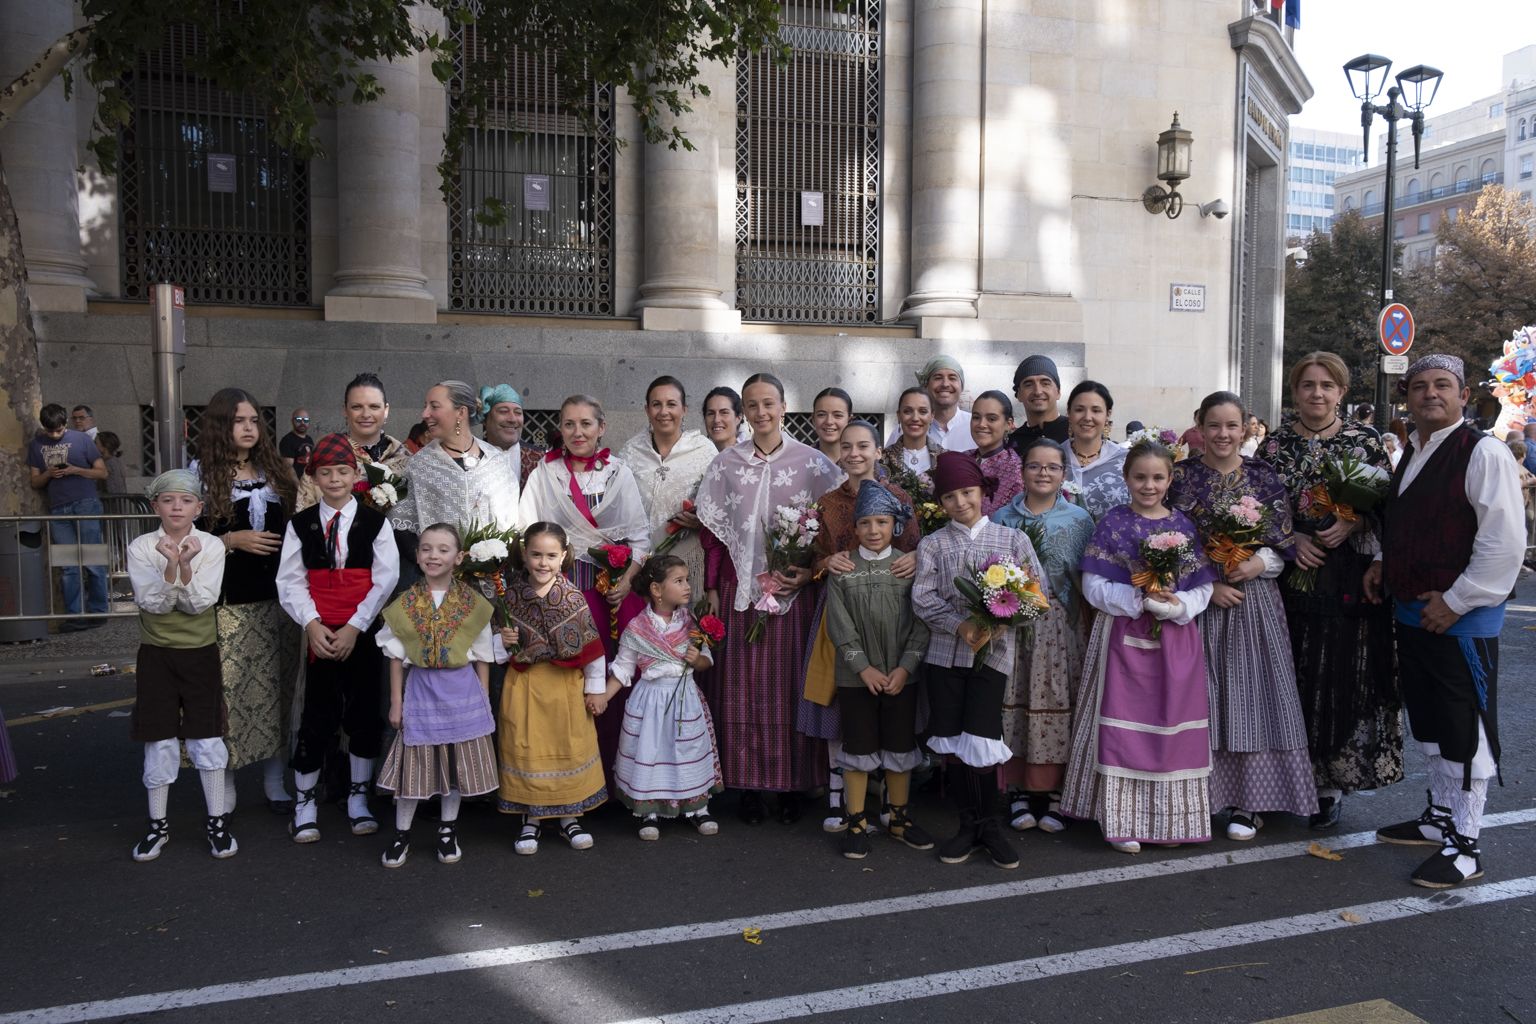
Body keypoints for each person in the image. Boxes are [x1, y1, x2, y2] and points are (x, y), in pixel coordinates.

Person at [1367, 355, 1525, 888]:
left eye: (1442, 386)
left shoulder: (1484, 452)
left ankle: (1466, 843)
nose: (1429, 394)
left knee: (1465, 729)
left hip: (1458, 618)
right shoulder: (1414, 450)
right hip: (1415, 610)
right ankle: (1439, 816)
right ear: (1407, 397)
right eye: (1419, 386)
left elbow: (1503, 543)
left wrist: (1458, 600)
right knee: (1432, 723)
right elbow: (1413, 523)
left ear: (1463, 396)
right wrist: (1385, 563)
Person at [1258, 352, 1401, 830]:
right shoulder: (1274, 446)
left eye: (1326, 385)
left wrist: (1353, 520)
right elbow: (1254, 508)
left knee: (1335, 675)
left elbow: (1389, 507)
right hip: (1289, 574)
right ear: (1294, 392)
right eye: (1307, 385)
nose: (1316, 393)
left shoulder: (1365, 443)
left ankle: (1328, 785)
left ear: (1341, 391)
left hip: (1346, 577)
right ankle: (1284, 776)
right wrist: (1289, 537)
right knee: (1289, 675)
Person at [697, 373, 843, 825]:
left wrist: (810, 572)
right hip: (741, 592)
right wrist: (711, 590)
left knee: (788, 689)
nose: (761, 413)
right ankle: (748, 788)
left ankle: (794, 786)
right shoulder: (725, 464)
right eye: (752, 406)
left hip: (793, 595)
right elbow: (715, 535)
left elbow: (835, 530)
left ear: (784, 407)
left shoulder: (813, 464)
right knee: (740, 690)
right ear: (743, 413)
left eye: (768, 404)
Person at [1170, 392, 1317, 841]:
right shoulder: (1181, 479)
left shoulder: (1263, 476)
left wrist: (1259, 564)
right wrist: (1206, 585)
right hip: (1200, 605)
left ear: (1246, 428)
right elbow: (1165, 542)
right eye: (1214, 425)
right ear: (1199, 425)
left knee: (1252, 697)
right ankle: (1199, 796)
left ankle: (1249, 802)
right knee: (1200, 698)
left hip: (1254, 603)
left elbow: (1281, 540)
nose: (1223, 435)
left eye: (1232, 426)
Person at [1061, 441, 1217, 854]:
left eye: (1158, 477)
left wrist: (1179, 606)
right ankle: (1122, 819)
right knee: (1124, 727)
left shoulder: (1182, 526)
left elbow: (1203, 586)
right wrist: (1141, 601)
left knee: (1172, 730)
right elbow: (1094, 587)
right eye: (1140, 477)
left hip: (1176, 641)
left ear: (1169, 480)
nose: (1149, 485)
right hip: (1123, 639)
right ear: (1126, 478)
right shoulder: (1114, 524)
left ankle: (1169, 823)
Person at [912, 451, 1044, 869]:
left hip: (993, 658)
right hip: (944, 655)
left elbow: (1036, 594)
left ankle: (989, 826)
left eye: (967, 492)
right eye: (949, 496)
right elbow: (923, 597)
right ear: (941, 503)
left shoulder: (1012, 539)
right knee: (952, 740)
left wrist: (1001, 621)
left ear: (983, 492)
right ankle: (967, 824)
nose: (960, 503)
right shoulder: (933, 543)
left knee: (983, 738)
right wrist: (959, 625)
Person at [519, 395, 651, 786]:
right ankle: (564, 783)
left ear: (601, 428)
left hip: (608, 591)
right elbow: (525, 529)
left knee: (610, 680)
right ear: (560, 428)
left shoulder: (618, 472)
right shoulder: (545, 474)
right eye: (569, 424)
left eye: (586, 424)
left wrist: (626, 582)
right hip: (560, 589)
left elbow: (640, 536)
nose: (577, 432)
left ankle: (615, 779)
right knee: (564, 681)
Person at [276, 434, 400, 843]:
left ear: (356, 474)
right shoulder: (300, 524)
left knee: (363, 712)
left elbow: (385, 578)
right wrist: (311, 624)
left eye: (343, 471)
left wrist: (355, 626)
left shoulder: (376, 523)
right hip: (319, 631)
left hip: (359, 630)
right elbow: (290, 579)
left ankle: (358, 796)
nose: (334, 479)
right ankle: (305, 800)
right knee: (317, 714)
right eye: (325, 472)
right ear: (313, 477)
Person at [805, 420, 920, 831]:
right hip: (844, 604)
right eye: (847, 447)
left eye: (863, 446)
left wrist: (918, 560)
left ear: (877, 451)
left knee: (892, 715)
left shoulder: (900, 497)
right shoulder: (828, 502)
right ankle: (844, 802)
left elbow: (914, 551)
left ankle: (893, 805)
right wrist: (825, 563)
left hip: (896, 606)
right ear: (839, 452)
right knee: (847, 707)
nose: (854, 453)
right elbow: (813, 556)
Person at [193, 388, 302, 815]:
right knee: (233, 696)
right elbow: (182, 537)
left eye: (254, 421)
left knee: (279, 690)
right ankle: (229, 779)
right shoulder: (201, 476)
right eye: (240, 421)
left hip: (279, 601)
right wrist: (229, 539)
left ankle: (275, 781)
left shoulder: (276, 473)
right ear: (221, 425)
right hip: (231, 605)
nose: (249, 428)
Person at [124, 469, 234, 862]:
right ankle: (158, 826)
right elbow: (152, 602)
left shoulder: (210, 546)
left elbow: (200, 602)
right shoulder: (140, 547)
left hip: (200, 653)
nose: (176, 507)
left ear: (199, 507)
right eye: (168, 500)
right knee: (160, 739)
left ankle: (216, 822)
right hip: (157, 654)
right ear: (155, 506)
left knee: (207, 737)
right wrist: (173, 568)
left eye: (185, 501)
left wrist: (183, 567)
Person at [375, 524, 499, 868]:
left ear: (459, 558)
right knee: (413, 767)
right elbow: (396, 657)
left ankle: (448, 829)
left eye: (443, 549)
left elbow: (484, 656)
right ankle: (402, 833)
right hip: (422, 691)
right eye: (426, 548)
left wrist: (484, 701)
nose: (433, 555)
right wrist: (397, 702)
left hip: (462, 692)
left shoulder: (473, 603)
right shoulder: (405, 604)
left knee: (455, 766)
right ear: (417, 555)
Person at [824, 481, 934, 859]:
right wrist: (863, 668)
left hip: (902, 676)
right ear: (854, 528)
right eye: (866, 523)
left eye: (882, 522)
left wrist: (905, 668)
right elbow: (839, 625)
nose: (874, 530)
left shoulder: (907, 567)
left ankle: (899, 817)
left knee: (900, 745)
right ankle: (855, 821)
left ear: (895, 526)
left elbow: (922, 621)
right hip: (857, 679)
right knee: (858, 747)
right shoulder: (843, 570)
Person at [990, 437, 1094, 833]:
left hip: (1062, 626)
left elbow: (1088, 578)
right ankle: (1017, 790)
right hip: (1015, 627)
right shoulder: (1003, 519)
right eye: (1035, 466)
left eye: (1052, 467)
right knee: (1014, 700)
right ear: (1023, 471)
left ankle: (1052, 793)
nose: (1043, 473)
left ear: (1064, 474)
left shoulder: (1079, 520)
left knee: (1057, 698)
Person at [495, 522, 609, 854]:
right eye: (535, 555)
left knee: (566, 746)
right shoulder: (511, 596)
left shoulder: (573, 598)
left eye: (550, 555)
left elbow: (592, 648)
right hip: (526, 685)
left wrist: (596, 690)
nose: (543, 563)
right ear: (524, 555)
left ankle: (570, 816)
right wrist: (501, 640)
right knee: (529, 749)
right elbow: (490, 650)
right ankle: (530, 819)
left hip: (564, 689)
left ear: (563, 557)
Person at [598, 554, 724, 840]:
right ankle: (648, 810)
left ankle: (696, 806)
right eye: (679, 581)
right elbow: (623, 668)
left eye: (687, 580)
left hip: (685, 699)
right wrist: (604, 696)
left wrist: (696, 660)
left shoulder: (691, 622)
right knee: (651, 751)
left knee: (686, 750)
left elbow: (706, 660)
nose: (687, 587)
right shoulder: (637, 628)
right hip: (651, 701)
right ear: (656, 590)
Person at [390, 381, 521, 545]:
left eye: (434, 406)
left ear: (461, 412)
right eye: (425, 406)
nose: (425, 414)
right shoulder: (419, 464)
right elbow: (402, 525)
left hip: (492, 568)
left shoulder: (496, 462)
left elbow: (510, 527)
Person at [621, 376, 716, 598]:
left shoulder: (705, 451)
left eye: (671, 404)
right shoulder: (630, 452)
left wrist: (700, 519)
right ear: (647, 409)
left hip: (688, 562)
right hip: (641, 563)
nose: (664, 411)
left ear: (684, 409)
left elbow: (720, 508)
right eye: (657, 404)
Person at [26, 403, 109, 627]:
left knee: (93, 560)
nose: (54, 435)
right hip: (58, 508)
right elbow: (35, 481)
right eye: (50, 431)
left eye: (59, 431)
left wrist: (75, 470)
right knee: (69, 566)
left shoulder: (82, 440)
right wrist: (48, 474)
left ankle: (99, 611)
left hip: (86, 503)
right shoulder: (36, 445)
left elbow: (102, 472)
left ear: (65, 424)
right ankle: (76, 615)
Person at [297, 373, 410, 512]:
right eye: (357, 407)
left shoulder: (405, 458)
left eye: (374, 406)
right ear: (345, 410)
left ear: (386, 410)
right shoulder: (323, 457)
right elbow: (303, 514)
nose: (366, 414)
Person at [1059, 381, 1128, 521]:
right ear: (1069, 413)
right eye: (1079, 410)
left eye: (1096, 410)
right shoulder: (1053, 458)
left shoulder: (1127, 460)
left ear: (1107, 414)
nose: (1087, 417)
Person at [966, 390, 1023, 517]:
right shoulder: (963, 459)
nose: (981, 424)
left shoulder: (1015, 469)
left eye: (991, 419)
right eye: (976, 417)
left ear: (1008, 424)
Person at [480, 383, 544, 485]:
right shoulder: (472, 459)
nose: (512, 419)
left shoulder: (541, 460)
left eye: (518, 412)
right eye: (503, 411)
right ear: (485, 419)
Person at [881, 386, 944, 487]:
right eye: (907, 411)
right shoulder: (883, 458)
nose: (915, 418)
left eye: (923, 411)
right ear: (899, 415)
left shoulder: (944, 458)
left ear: (932, 416)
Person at [1008, 355, 1070, 451]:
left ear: (1058, 392)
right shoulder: (1013, 443)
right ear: (1019, 394)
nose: (1037, 391)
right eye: (1028, 385)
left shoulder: (1075, 431)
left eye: (1045, 384)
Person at [913, 356, 973, 452]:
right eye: (938, 378)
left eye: (952, 378)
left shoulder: (976, 426)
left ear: (961, 387)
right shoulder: (908, 427)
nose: (945, 384)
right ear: (925, 385)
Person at [811, 387, 854, 464]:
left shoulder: (860, 461)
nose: (829, 421)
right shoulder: (801, 459)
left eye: (837, 415)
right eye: (821, 415)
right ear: (813, 419)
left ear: (849, 420)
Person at [702, 387, 746, 451]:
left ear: (738, 418)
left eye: (724, 412)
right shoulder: (698, 456)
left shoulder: (752, 455)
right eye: (711, 413)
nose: (716, 420)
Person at [278, 409, 314, 476]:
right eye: (298, 419)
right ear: (292, 421)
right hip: (296, 483)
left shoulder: (309, 439)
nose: (302, 423)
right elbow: (288, 468)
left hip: (309, 482)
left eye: (306, 420)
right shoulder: (287, 440)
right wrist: (298, 485)